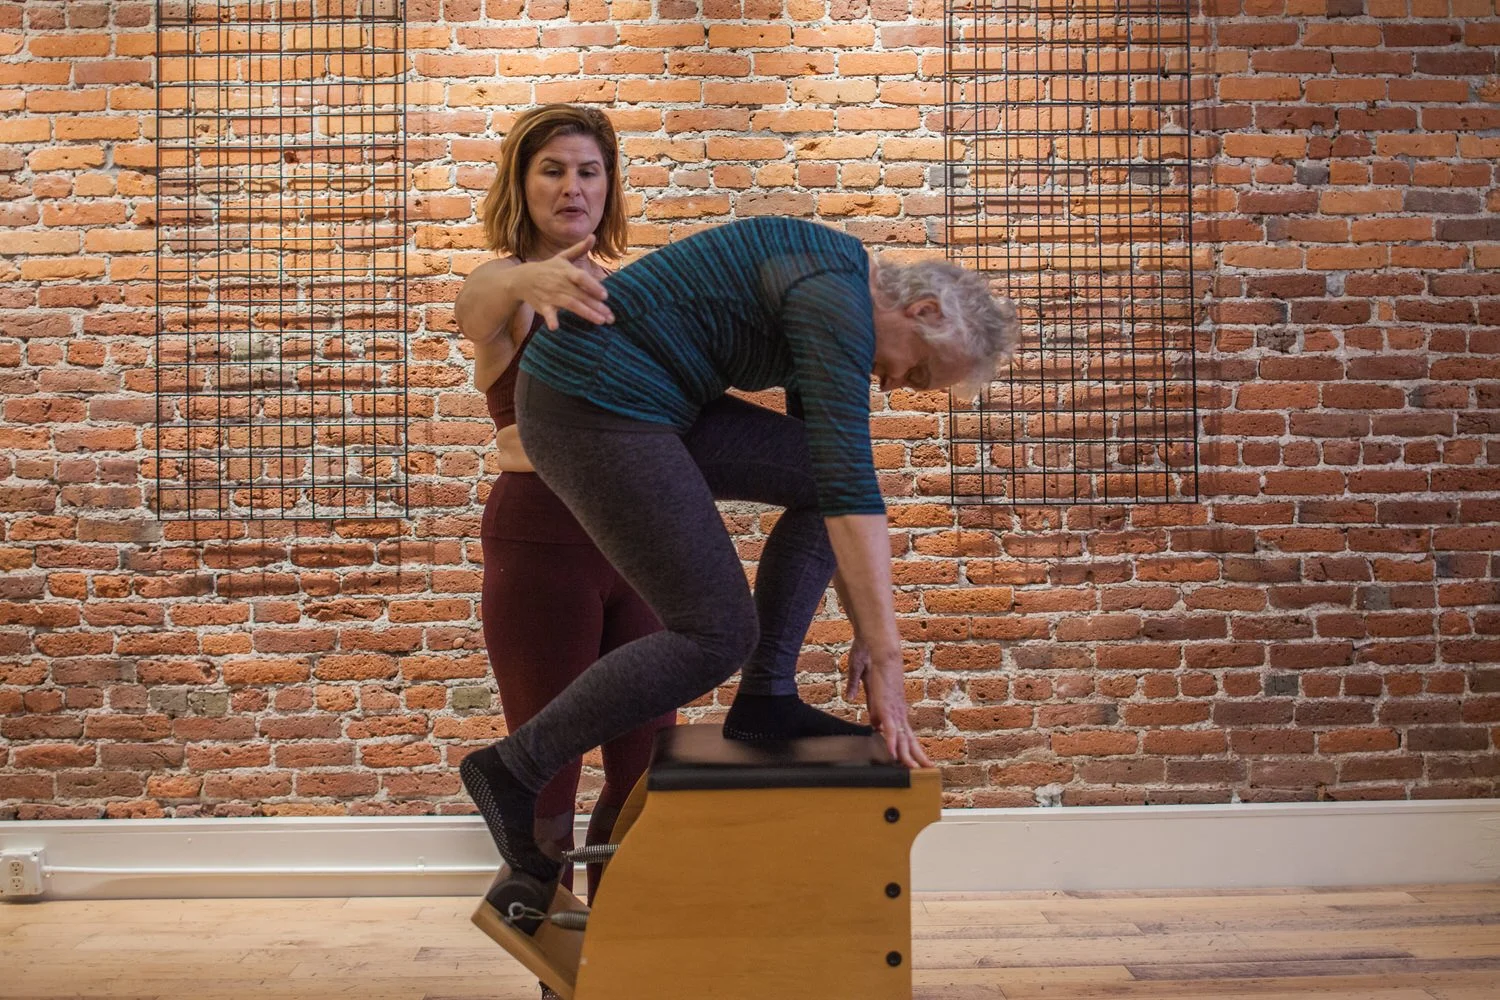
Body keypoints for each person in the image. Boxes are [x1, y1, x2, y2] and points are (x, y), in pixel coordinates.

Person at [459, 214, 1020, 886]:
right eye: (919, 369)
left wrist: (868, 629)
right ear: (920, 308)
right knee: (717, 631)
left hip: (649, 400)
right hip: (587, 399)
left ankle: (765, 699)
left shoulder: (835, 291)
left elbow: (827, 483)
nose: (896, 385)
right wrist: (889, 664)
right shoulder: (833, 298)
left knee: (813, 481)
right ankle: (513, 768)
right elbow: (852, 484)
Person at [453, 104, 674, 909]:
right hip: (543, 546)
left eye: (588, 170)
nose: (572, 186)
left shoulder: (628, 293)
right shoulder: (508, 291)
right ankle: (556, 969)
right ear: (522, 183)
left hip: (642, 548)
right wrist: (524, 277)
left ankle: (624, 950)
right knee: (547, 770)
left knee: (648, 763)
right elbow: (473, 305)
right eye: (552, 169)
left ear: (608, 186)